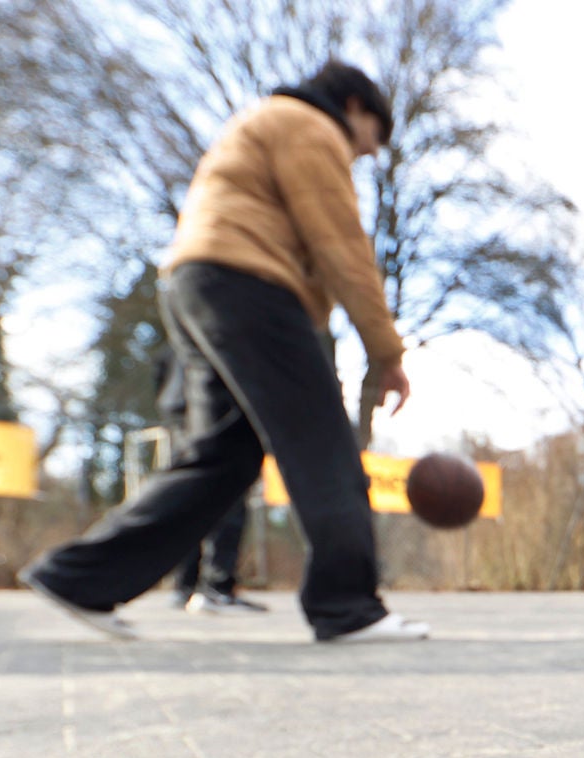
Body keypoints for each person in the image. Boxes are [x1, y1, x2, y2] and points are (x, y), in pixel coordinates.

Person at [22, 61, 427, 642]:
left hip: (197, 284)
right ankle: (347, 607)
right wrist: (387, 350)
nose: (366, 154)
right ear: (358, 108)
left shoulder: (263, 120)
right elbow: (340, 243)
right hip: (252, 286)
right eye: (372, 139)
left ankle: (81, 577)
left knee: (225, 454)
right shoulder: (309, 126)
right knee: (321, 440)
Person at [155, 349, 266, 615]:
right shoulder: (222, 320)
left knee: (192, 496)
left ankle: (185, 585)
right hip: (215, 408)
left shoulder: (180, 327)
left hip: (180, 409)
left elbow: (160, 370)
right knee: (228, 494)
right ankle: (216, 588)